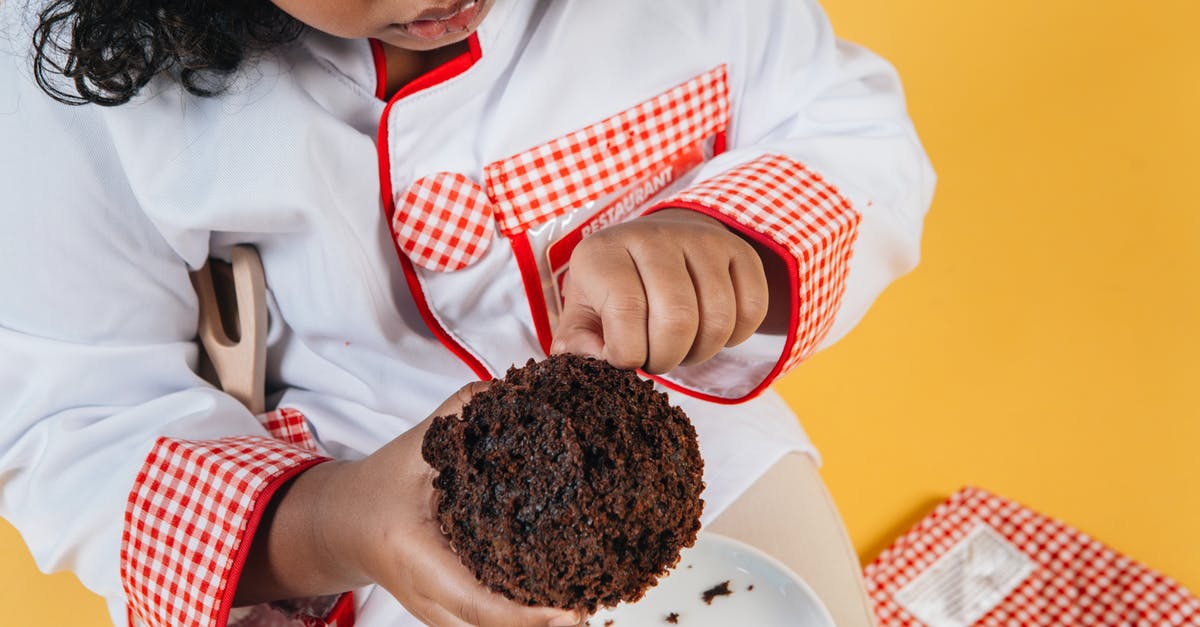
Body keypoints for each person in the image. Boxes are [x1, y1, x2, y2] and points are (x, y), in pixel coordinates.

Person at [0, 0, 935, 625]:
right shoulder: (68, 74)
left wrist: (726, 241)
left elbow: (844, 127)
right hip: (347, 506)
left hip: (701, 447)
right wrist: (332, 522)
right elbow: (73, 411)